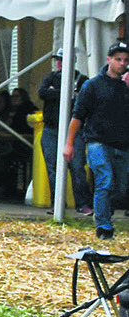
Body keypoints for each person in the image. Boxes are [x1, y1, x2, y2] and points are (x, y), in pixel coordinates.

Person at [65, 40, 129, 240]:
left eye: (125, 60)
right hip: (97, 141)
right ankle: (103, 226)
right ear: (109, 60)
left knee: (120, 187)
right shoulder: (92, 85)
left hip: (122, 144)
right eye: (118, 59)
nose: (122, 63)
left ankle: (105, 213)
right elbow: (77, 116)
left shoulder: (125, 87)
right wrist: (69, 143)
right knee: (105, 180)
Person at [38, 52, 91, 215]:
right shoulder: (50, 77)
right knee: (52, 167)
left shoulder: (82, 80)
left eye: (62, 60)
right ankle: (57, 203)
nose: (59, 63)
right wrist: (67, 94)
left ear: (72, 62)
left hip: (74, 130)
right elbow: (42, 93)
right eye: (58, 60)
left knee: (77, 168)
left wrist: (56, 93)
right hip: (51, 128)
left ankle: (83, 204)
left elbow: (84, 100)